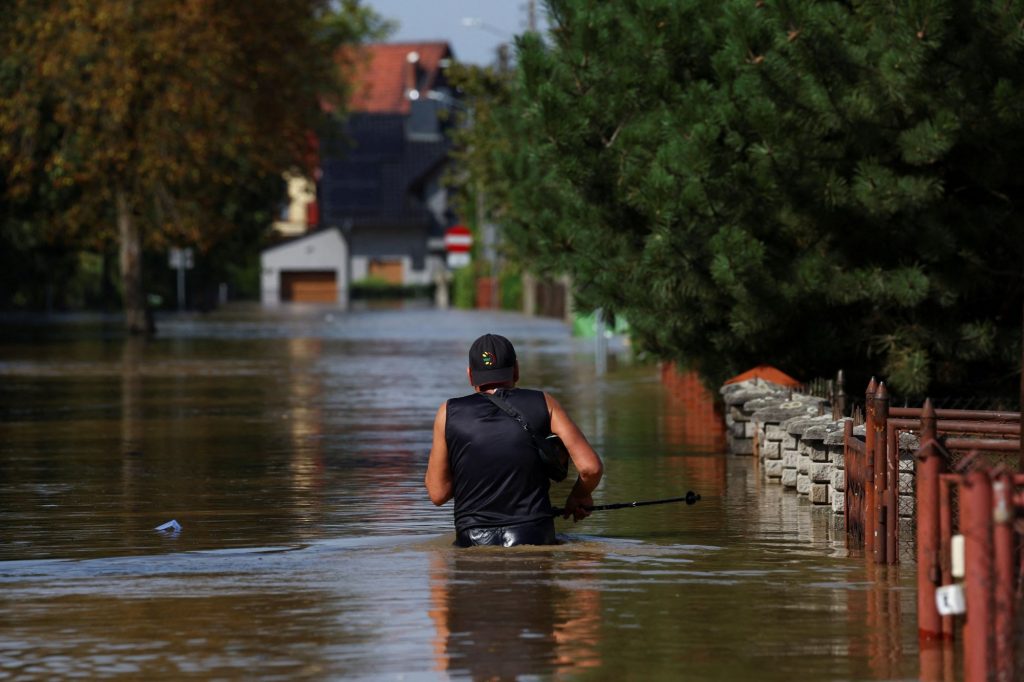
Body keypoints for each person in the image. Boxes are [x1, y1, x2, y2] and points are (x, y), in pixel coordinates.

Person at [425, 333, 604, 547]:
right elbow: (590, 468)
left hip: (472, 542)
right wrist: (578, 495)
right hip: (533, 536)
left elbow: (438, 493)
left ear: (470, 375)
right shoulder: (543, 403)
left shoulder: (448, 413)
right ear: (516, 370)